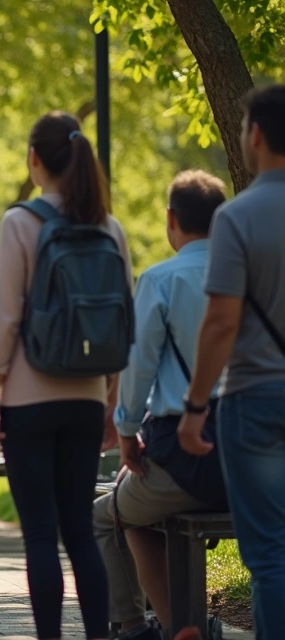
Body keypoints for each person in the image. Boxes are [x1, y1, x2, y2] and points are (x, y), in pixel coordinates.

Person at [0, 112, 130, 640]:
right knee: (81, 534)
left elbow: (5, 316)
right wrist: (111, 398)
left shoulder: (20, 222)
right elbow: (121, 321)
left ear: (34, 159)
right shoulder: (109, 227)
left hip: (28, 396)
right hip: (87, 397)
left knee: (40, 535)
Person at [92, 170, 228, 640]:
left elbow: (138, 366)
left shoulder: (160, 279)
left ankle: (142, 628)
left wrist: (127, 434)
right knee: (140, 511)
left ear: (171, 219)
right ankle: (185, 624)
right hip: (253, 455)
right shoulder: (254, 274)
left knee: (108, 515)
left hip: (184, 458)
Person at [180, 84, 285, 640]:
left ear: (257, 135)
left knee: (269, 552)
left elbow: (221, 322)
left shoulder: (236, 217)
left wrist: (196, 406)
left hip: (255, 399)